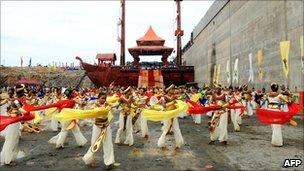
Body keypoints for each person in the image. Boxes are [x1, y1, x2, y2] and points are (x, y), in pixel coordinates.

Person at [82, 91, 115, 169]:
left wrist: (120, 102)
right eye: (102, 98)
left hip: (106, 126)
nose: (104, 100)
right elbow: (90, 110)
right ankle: (88, 159)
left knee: (108, 143)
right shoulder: (94, 105)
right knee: (94, 143)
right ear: (98, 98)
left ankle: (109, 162)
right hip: (97, 127)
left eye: (105, 98)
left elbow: (114, 106)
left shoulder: (107, 105)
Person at [0, 85, 26, 165]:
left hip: (15, 122)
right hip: (13, 123)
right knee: (11, 141)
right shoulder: (16, 101)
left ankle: (9, 157)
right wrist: (27, 112)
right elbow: (20, 110)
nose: (24, 94)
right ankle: (8, 160)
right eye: (23, 93)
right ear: (21, 93)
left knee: (13, 140)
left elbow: (16, 111)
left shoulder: (16, 100)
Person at [157, 84, 184, 149]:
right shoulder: (164, 97)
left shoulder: (174, 96)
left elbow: (177, 103)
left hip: (174, 115)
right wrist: (172, 102)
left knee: (176, 129)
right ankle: (161, 143)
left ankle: (178, 144)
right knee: (166, 129)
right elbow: (164, 106)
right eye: (172, 89)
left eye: (173, 89)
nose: (173, 90)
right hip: (167, 115)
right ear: (168, 90)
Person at [265, 83, 290, 147]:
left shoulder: (268, 94)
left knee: (273, 126)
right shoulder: (279, 95)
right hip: (276, 111)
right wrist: (290, 101)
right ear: (277, 88)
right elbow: (287, 101)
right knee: (277, 126)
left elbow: (266, 99)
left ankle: (274, 141)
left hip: (270, 110)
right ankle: (277, 142)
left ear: (271, 88)